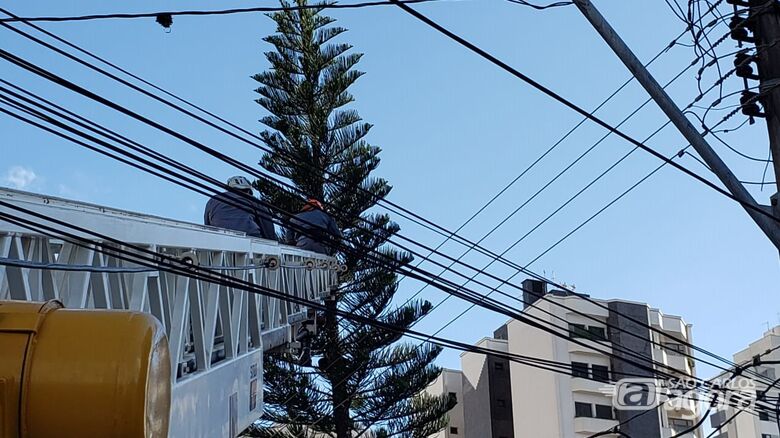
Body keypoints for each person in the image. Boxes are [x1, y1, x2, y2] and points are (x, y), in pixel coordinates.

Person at [204, 176, 276, 240]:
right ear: (248, 191)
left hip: (219, 239)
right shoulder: (254, 201)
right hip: (250, 239)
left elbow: (207, 226)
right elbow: (268, 227)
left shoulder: (213, 200)